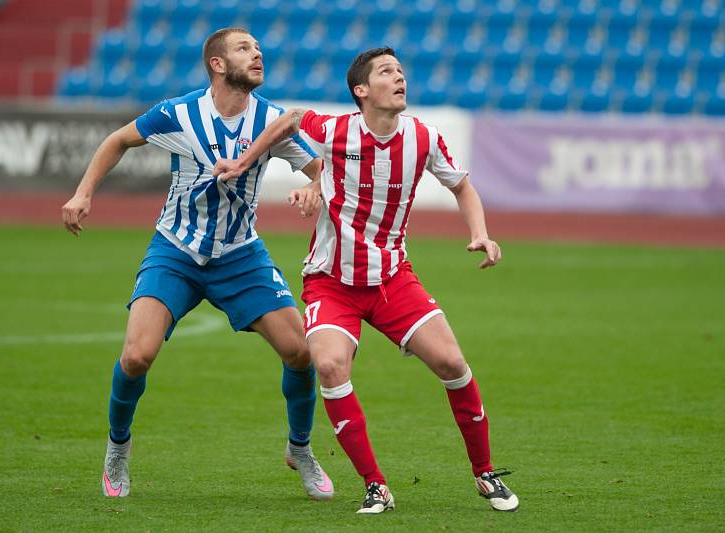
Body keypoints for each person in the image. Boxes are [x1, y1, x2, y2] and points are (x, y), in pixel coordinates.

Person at [212, 47, 519, 514]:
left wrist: (480, 232)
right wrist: (244, 161)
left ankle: (484, 473)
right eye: (386, 72)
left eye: (401, 71)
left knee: (453, 364)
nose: (399, 78)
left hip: (393, 280)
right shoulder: (335, 130)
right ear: (361, 90)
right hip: (331, 282)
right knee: (331, 367)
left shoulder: (423, 137)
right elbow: (290, 118)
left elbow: (461, 185)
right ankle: (375, 485)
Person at [61, 27, 334, 501]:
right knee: (136, 356)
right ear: (217, 63)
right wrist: (83, 192)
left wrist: (314, 187)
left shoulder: (269, 120)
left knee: (300, 352)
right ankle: (117, 449)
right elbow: (117, 140)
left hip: (241, 255)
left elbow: (319, 168)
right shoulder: (180, 113)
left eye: (257, 47)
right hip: (175, 251)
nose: (258, 53)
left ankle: (300, 448)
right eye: (245, 48)